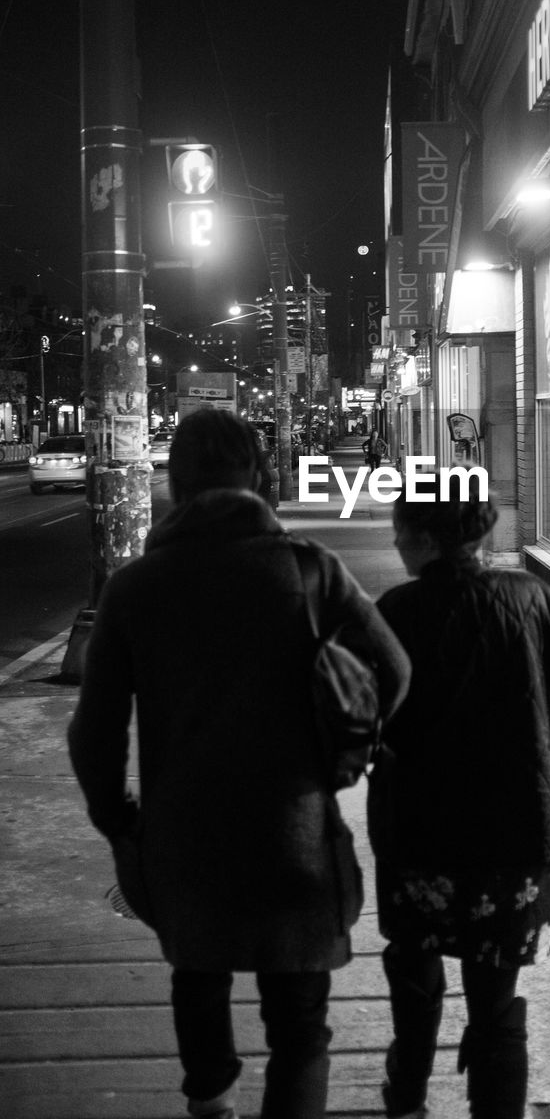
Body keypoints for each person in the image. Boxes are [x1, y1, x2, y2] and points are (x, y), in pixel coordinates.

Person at [67, 408, 410, 1119]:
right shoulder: (308, 569)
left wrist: (118, 819)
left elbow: (94, 729)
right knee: (299, 1026)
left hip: (183, 832)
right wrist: (349, 754)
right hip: (295, 832)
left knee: (197, 976)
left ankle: (211, 1095)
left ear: (175, 482)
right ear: (257, 475)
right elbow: (393, 667)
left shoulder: (135, 588)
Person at [368, 475, 550, 1119]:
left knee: (413, 974)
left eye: (400, 531)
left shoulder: (396, 611)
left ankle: (406, 1099)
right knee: (495, 996)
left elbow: (362, 712)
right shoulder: (537, 599)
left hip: (421, 830)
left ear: (422, 537)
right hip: (516, 830)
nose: (396, 543)